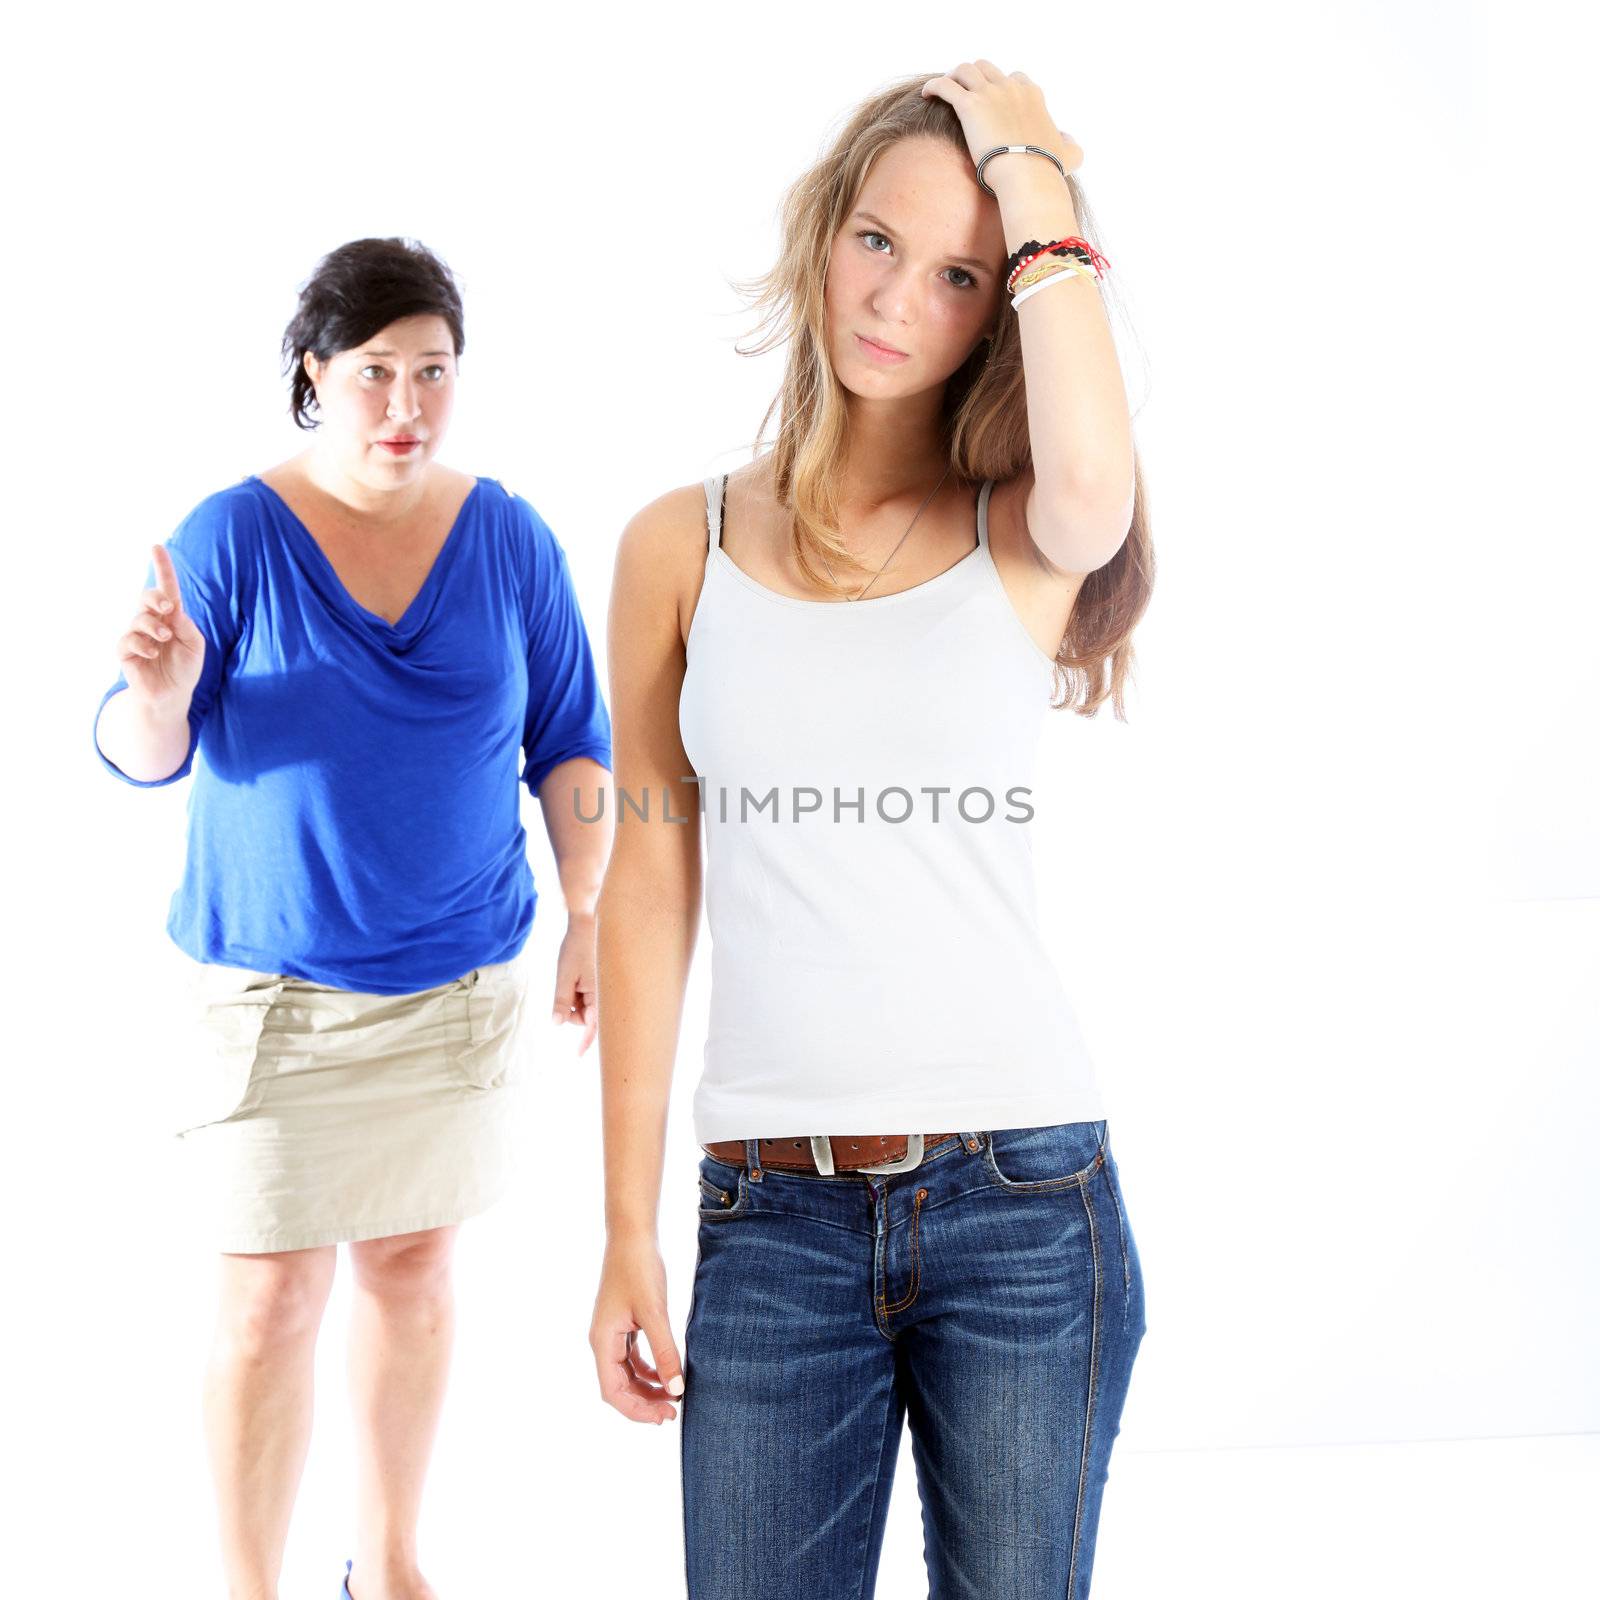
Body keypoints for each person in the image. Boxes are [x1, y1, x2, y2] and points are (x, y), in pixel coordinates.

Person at [590, 63, 1153, 1598]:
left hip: (1024, 1208)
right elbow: (649, 883)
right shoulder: (676, 545)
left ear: (1002, 309)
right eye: (879, 242)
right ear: (824, 235)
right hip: (769, 1220)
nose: (900, 297)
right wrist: (626, 1229)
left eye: (961, 275)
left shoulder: (1025, 530)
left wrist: (1032, 170)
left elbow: (1103, 473)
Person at [93, 236, 613, 1600]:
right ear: (315, 376)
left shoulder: (506, 536)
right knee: (269, 1298)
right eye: (376, 372)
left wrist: (592, 914)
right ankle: (250, 1587)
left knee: (413, 1263)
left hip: (454, 991)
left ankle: (386, 1565)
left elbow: (572, 744)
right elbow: (144, 750)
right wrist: (163, 689)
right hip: (271, 1002)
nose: (407, 406)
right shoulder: (231, 535)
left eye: (433, 373)